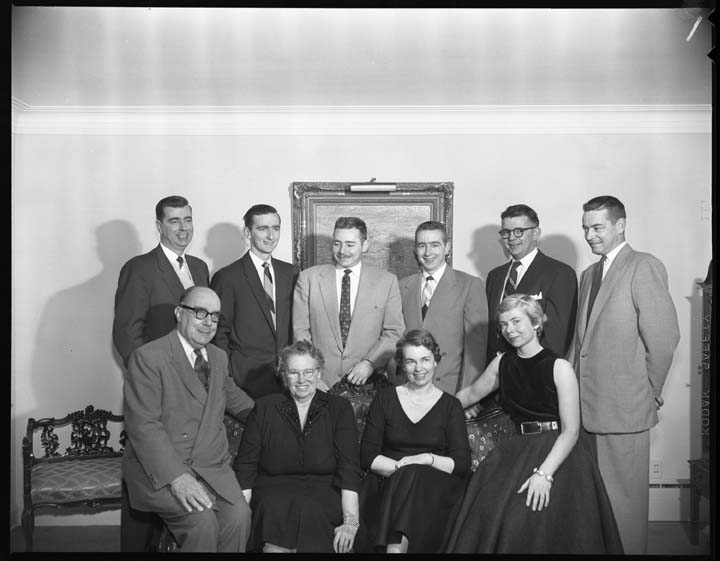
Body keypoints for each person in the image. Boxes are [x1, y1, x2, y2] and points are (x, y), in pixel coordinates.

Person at [445, 295, 623, 554]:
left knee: (530, 517)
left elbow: (571, 430)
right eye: (504, 324)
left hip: (558, 452)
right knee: (489, 511)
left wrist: (544, 475)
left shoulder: (560, 367)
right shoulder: (502, 363)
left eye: (516, 321)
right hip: (516, 449)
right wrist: (432, 406)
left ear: (536, 323)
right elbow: (470, 394)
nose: (509, 330)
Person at [574, 195, 679, 554]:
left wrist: (649, 391)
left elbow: (663, 339)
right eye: (585, 228)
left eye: (597, 227)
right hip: (586, 412)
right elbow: (581, 345)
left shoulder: (643, 266)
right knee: (595, 507)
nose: (589, 235)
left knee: (624, 511)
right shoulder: (588, 275)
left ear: (620, 226)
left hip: (626, 410)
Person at [122, 286, 255, 552]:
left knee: (239, 517)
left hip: (212, 468)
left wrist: (287, 414)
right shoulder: (148, 358)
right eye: (200, 313)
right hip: (163, 470)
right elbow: (144, 427)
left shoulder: (218, 357)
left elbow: (241, 404)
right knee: (202, 522)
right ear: (179, 313)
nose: (208, 323)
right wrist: (177, 477)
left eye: (215, 316)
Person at [113, 195, 210, 551]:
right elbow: (126, 334)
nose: (183, 228)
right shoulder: (139, 268)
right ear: (158, 226)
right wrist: (149, 379)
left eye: (188, 220)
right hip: (156, 389)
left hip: (194, 389)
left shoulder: (199, 267)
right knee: (147, 471)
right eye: (174, 221)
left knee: (182, 475)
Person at [234, 340, 363, 553]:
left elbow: (349, 468)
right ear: (284, 376)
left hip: (324, 491)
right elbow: (246, 466)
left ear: (319, 373)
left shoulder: (339, 408)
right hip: (273, 491)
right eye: (294, 373)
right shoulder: (264, 407)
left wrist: (351, 522)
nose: (302, 379)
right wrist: (241, 515)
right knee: (273, 519)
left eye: (308, 372)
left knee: (314, 512)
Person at [360, 329, 471, 553]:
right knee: (410, 476)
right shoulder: (386, 398)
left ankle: (394, 549)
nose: (419, 368)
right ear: (401, 365)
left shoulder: (451, 406)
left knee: (414, 476)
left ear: (435, 361)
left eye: (425, 360)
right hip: (388, 481)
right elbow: (368, 456)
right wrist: (404, 469)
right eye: (410, 361)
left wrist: (426, 459)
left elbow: (461, 463)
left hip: (435, 490)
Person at [293, 216, 405, 389]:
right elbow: (300, 332)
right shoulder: (308, 279)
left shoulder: (387, 281)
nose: (342, 250)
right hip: (321, 383)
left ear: (365, 245)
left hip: (369, 384)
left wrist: (369, 363)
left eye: (350, 244)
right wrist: (311, 374)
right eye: (337, 243)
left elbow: (394, 332)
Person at [211, 204, 299, 399]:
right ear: (247, 233)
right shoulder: (227, 277)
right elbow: (219, 333)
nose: (271, 236)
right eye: (263, 228)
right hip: (246, 380)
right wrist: (229, 375)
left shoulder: (291, 273)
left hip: (288, 379)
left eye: (275, 228)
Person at [396, 221, 488, 394]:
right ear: (415, 250)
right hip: (408, 389)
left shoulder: (469, 285)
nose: (428, 252)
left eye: (435, 245)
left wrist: (467, 395)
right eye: (422, 245)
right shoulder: (402, 286)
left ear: (447, 248)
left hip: (450, 390)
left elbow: (476, 349)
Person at [485, 204, 577, 364]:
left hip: (534, 370)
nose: (511, 238)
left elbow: (557, 337)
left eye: (518, 231)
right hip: (496, 370)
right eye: (506, 232)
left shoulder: (559, 273)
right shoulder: (495, 276)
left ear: (535, 233)